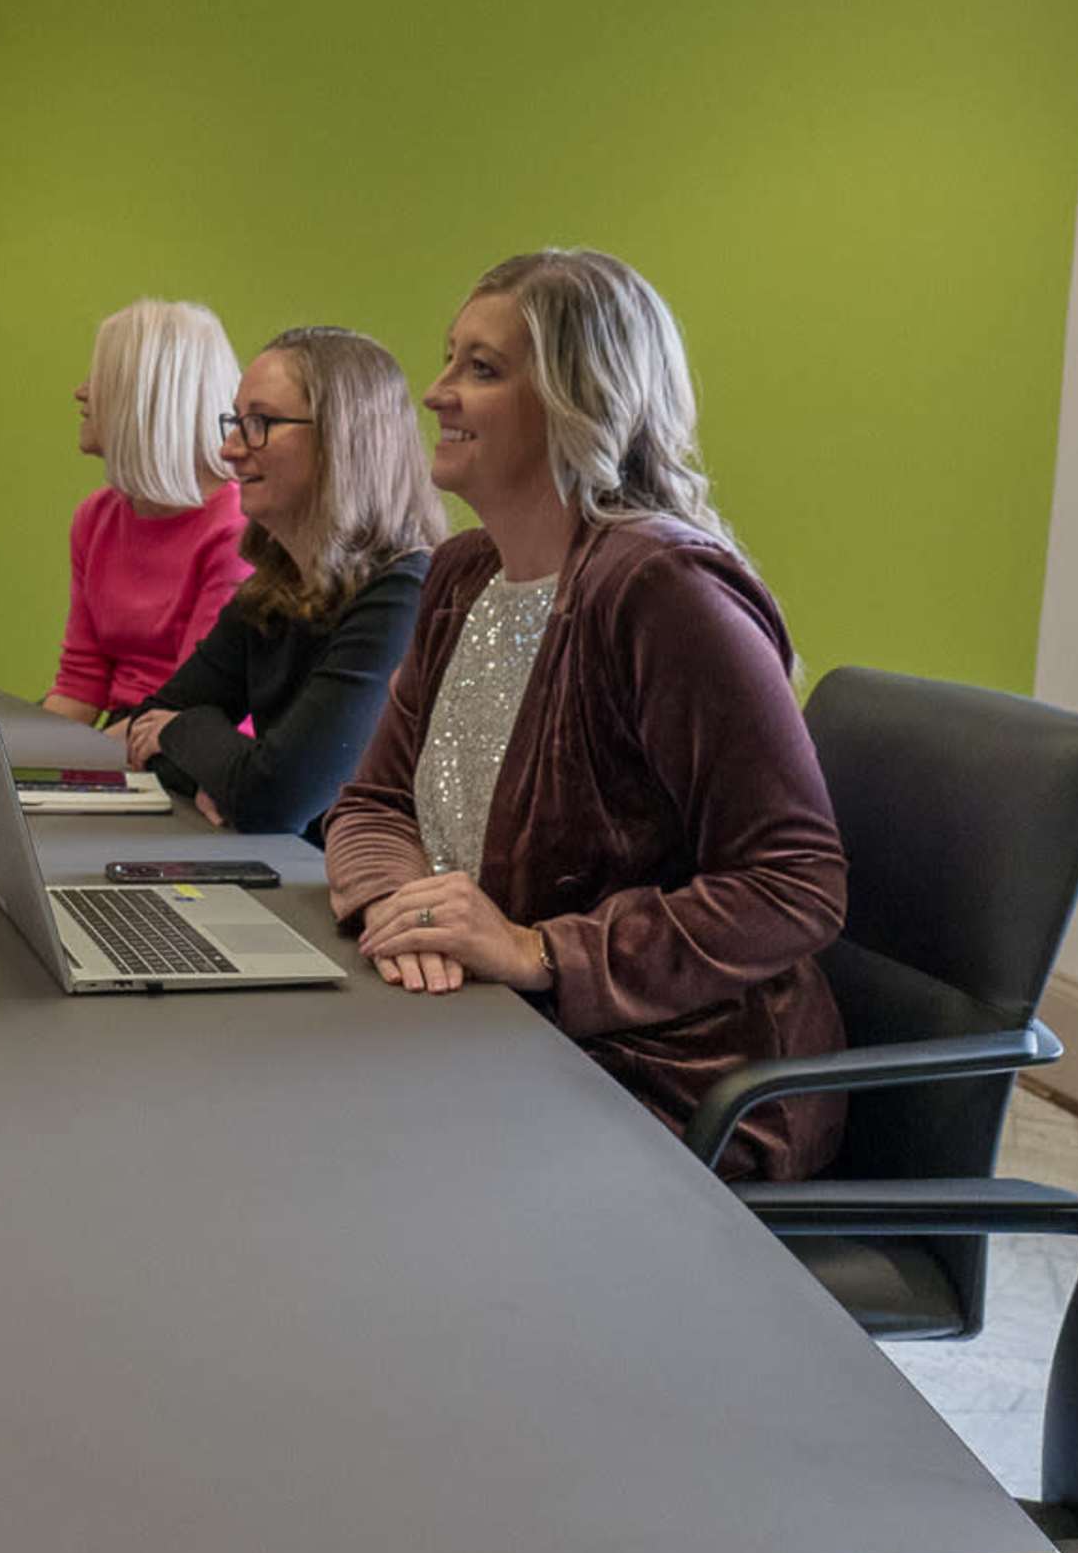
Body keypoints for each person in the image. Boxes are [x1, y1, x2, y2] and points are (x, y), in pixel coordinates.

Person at [322, 249, 849, 1181]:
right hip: (500, 1030)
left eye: (483, 368)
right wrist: (413, 922)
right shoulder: (462, 574)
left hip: (679, 1081)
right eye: (449, 359)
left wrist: (537, 949)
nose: (436, 392)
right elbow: (372, 805)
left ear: (582, 404)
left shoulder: (660, 585)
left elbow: (795, 883)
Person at [114, 326, 440, 838]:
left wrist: (187, 735)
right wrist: (230, 777)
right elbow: (148, 723)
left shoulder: (403, 596)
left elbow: (277, 798)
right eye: (236, 422)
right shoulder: (275, 589)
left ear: (341, 439)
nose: (229, 449)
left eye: (259, 423)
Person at [43, 298, 248, 723]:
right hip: (123, 737)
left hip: (188, 741)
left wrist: (82, 754)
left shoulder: (236, 530)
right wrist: (26, 756)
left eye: (98, 379)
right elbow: (81, 682)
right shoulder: (96, 518)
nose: (81, 392)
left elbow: (192, 704)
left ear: (143, 397)